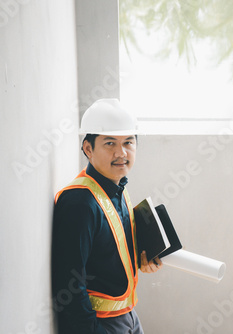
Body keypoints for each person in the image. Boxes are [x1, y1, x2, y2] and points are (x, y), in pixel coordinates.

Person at [52, 98, 162, 334]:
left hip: (128, 315)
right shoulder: (79, 202)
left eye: (128, 143)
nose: (121, 152)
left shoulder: (117, 188)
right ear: (88, 148)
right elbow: (69, 285)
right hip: (101, 324)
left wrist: (142, 260)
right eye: (110, 143)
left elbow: (109, 254)